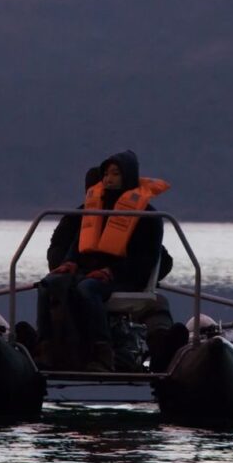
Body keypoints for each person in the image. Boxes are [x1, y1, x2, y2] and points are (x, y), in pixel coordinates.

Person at [37, 150, 170, 371]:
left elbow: (145, 260)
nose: (109, 179)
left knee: (87, 289)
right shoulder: (95, 209)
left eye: (115, 174)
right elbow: (78, 243)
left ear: (127, 176)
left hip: (125, 277)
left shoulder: (148, 217)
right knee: (48, 285)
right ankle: (45, 350)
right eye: (106, 174)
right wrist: (70, 262)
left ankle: (103, 354)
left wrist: (112, 272)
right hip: (91, 273)